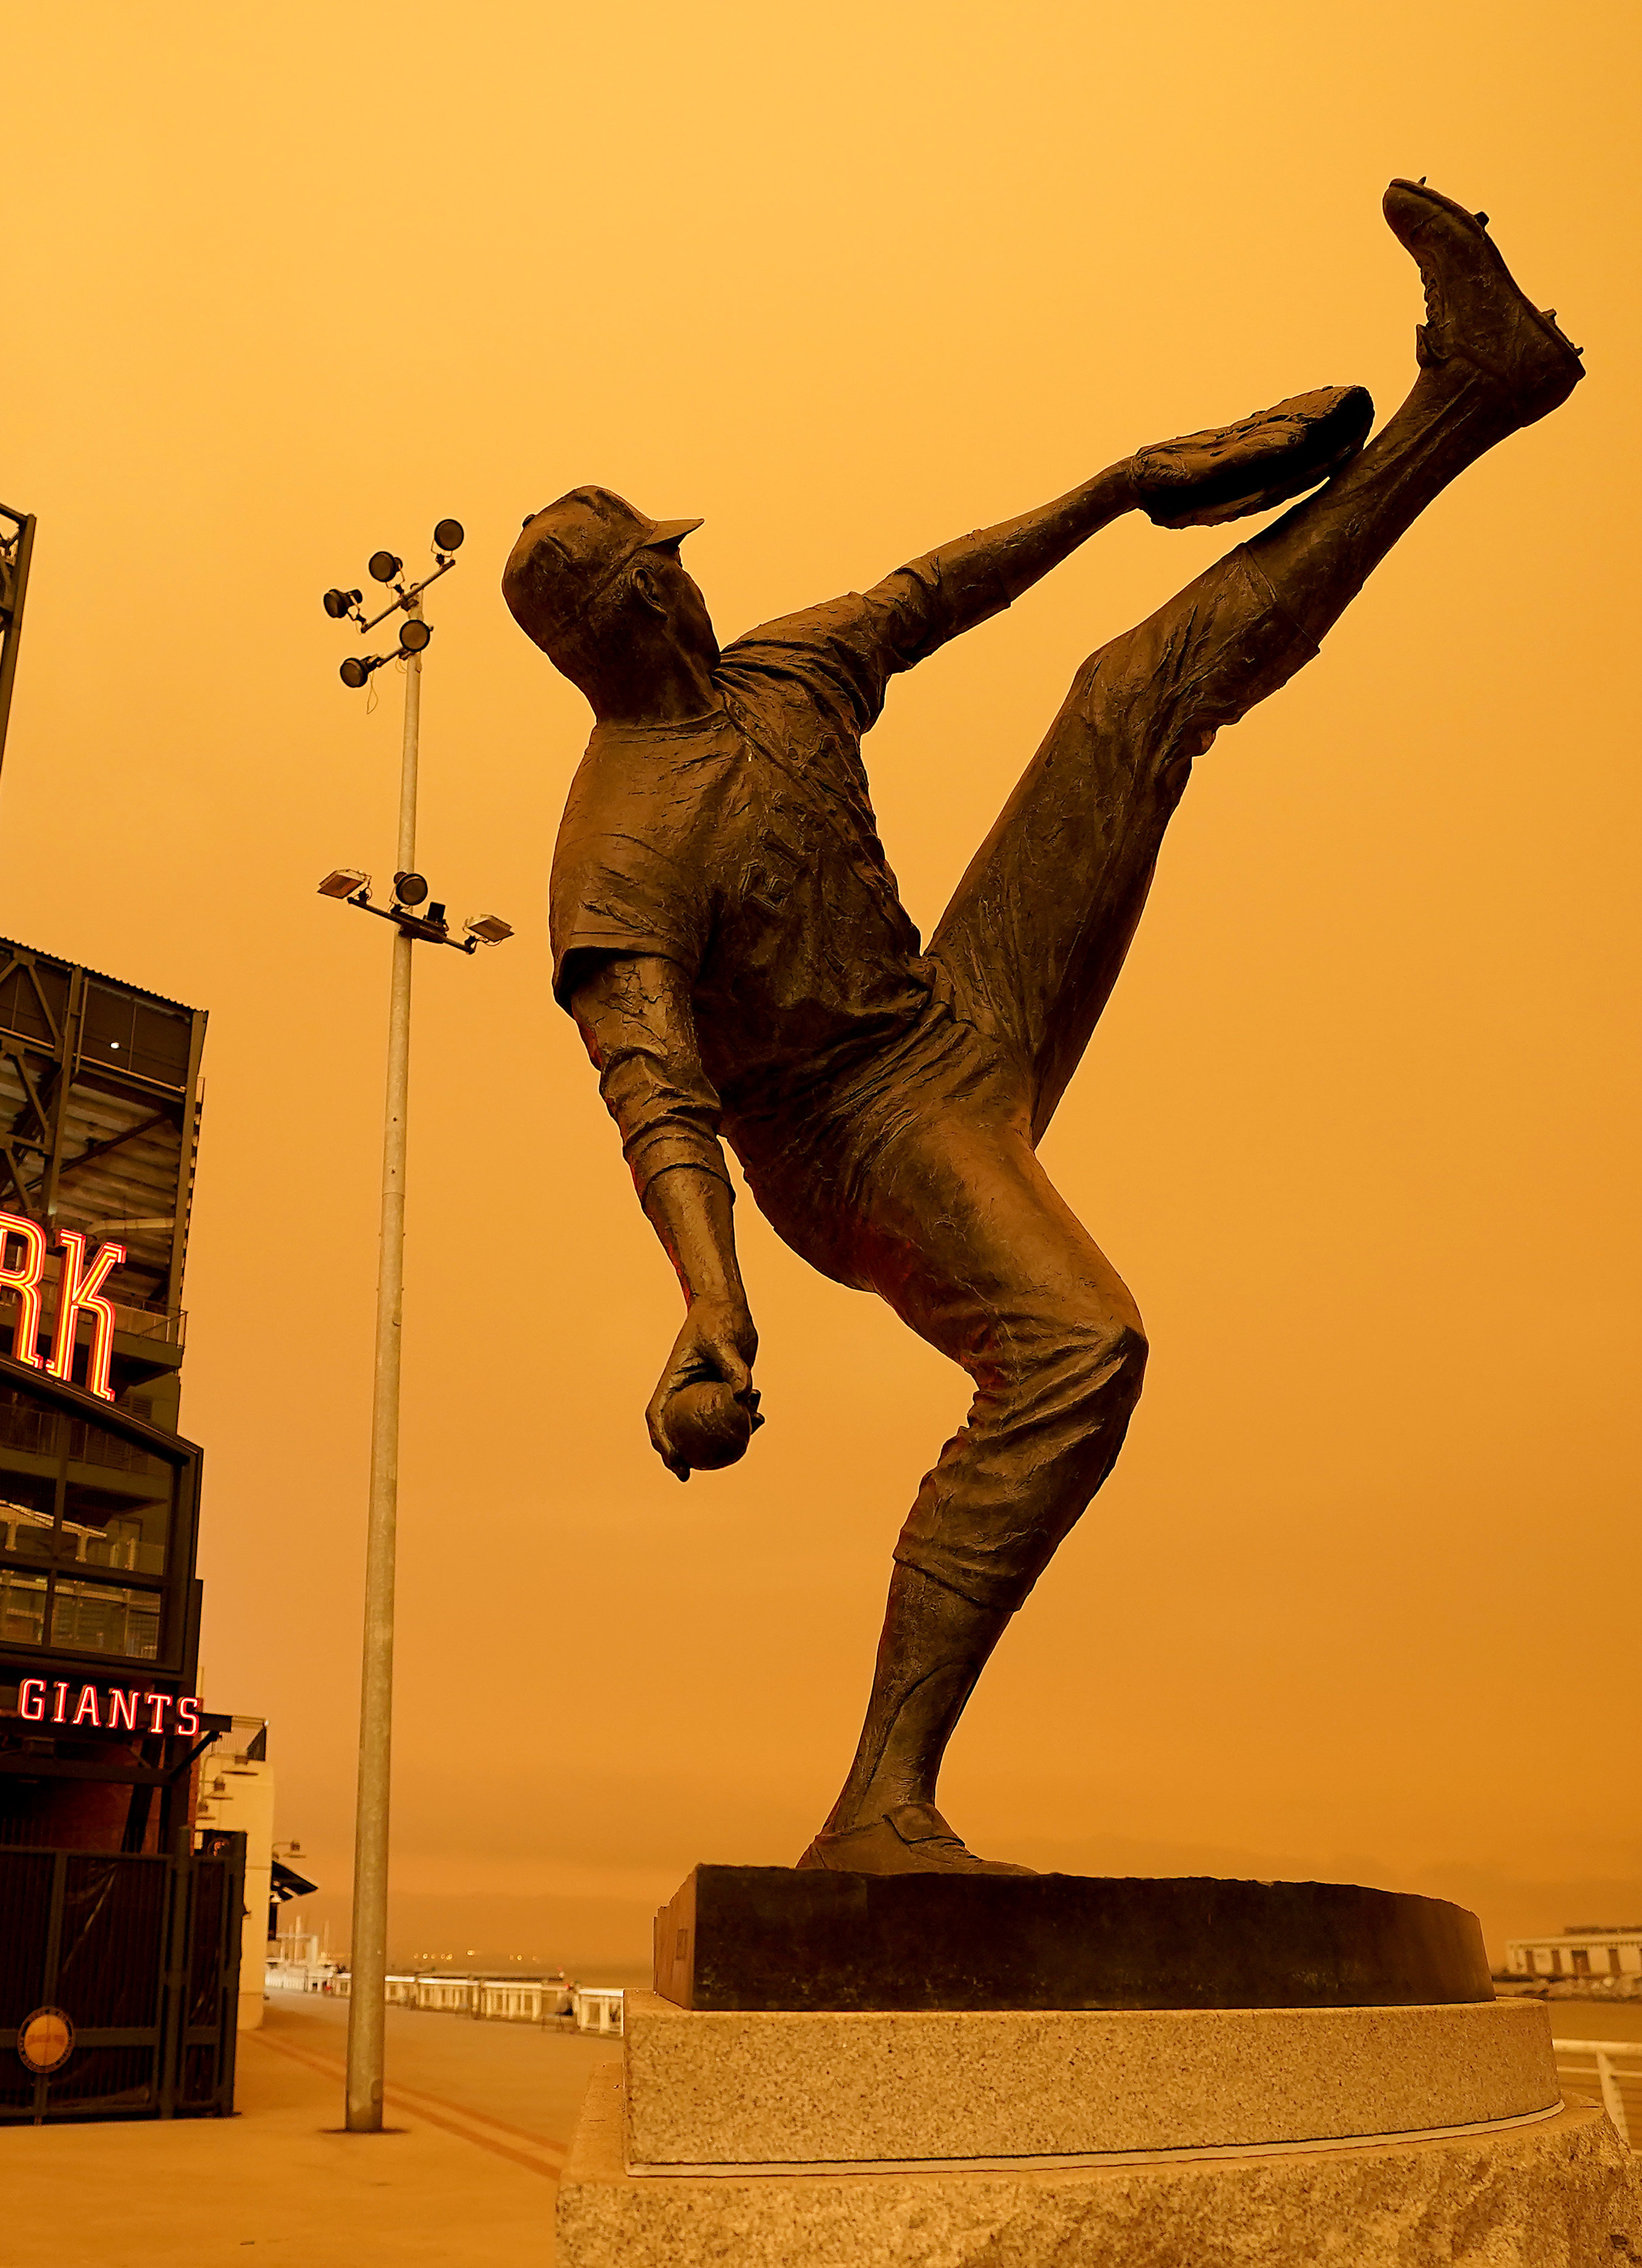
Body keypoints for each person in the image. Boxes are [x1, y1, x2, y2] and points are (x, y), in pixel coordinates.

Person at [505, 181, 1581, 1874]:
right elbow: (657, 1100)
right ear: (628, 610)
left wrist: (1128, 484)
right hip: (854, 1142)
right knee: (1080, 1346)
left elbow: (941, 593)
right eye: (667, 573)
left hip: (954, 1005)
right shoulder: (618, 846)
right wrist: (710, 1305)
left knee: (1128, 691)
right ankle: (881, 1796)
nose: (696, 590)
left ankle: (1476, 394)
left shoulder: (779, 667)